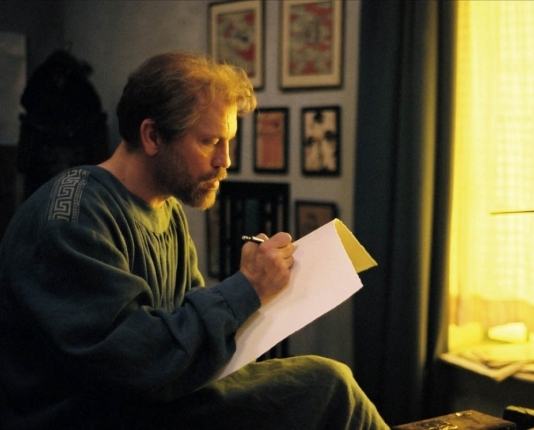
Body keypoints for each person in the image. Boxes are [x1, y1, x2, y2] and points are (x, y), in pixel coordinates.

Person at [0, 51, 390, 430]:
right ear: (152, 136)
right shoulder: (71, 216)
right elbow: (137, 364)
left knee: (322, 386)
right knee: (327, 387)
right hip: (93, 415)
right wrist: (247, 288)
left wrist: (261, 294)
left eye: (228, 142)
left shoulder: (166, 209)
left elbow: (187, 335)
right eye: (210, 141)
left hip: (151, 401)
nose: (225, 161)